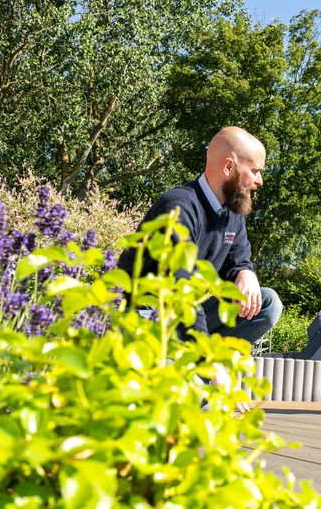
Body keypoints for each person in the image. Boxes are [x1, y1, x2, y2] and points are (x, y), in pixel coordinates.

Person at [118, 126, 282, 346]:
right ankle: (200, 367)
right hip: (146, 318)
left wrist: (245, 272)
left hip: (189, 313)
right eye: (255, 170)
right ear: (228, 167)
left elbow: (238, 260)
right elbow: (179, 288)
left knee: (267, 303)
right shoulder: (179, 208)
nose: (259, 181)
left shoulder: (233, 214)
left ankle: (199, 373)